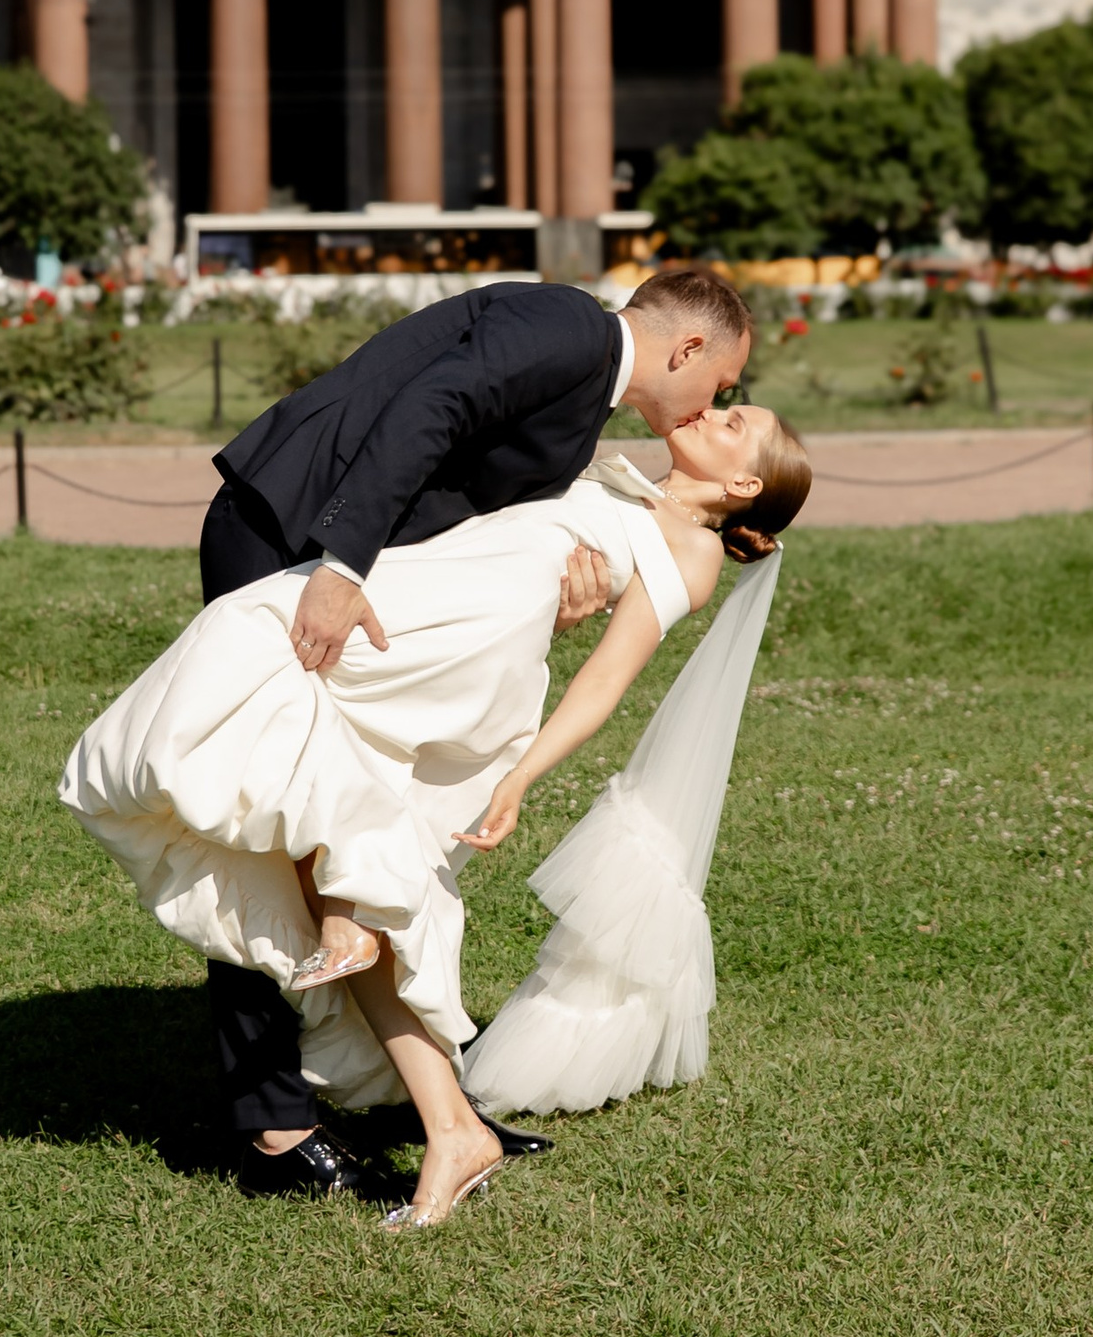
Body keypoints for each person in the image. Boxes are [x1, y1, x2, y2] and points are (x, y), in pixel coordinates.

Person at [61, 398, 810, 1227]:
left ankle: (358, 928)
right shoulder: (610, 471)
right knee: (322, 858)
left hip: (453, 659)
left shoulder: (693, 550)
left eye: (738, 421)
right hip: (424, 605)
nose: (716, 410)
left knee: (265, 653)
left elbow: (606, 678)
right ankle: (451, 1125)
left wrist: (521, 775)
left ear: (744, 483)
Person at [182, 263, 751, 1199]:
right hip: (290, 536)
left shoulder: (582, 375)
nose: (713, 403)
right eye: (720, 386)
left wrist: (554, 573)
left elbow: (481, 485)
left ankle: (409, 1091)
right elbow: (430, 411)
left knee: (351, 828)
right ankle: (273, 1127)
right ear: (687, 348)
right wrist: (340, 567)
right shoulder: (572, 331)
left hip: (347, 561)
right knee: (263, 817)